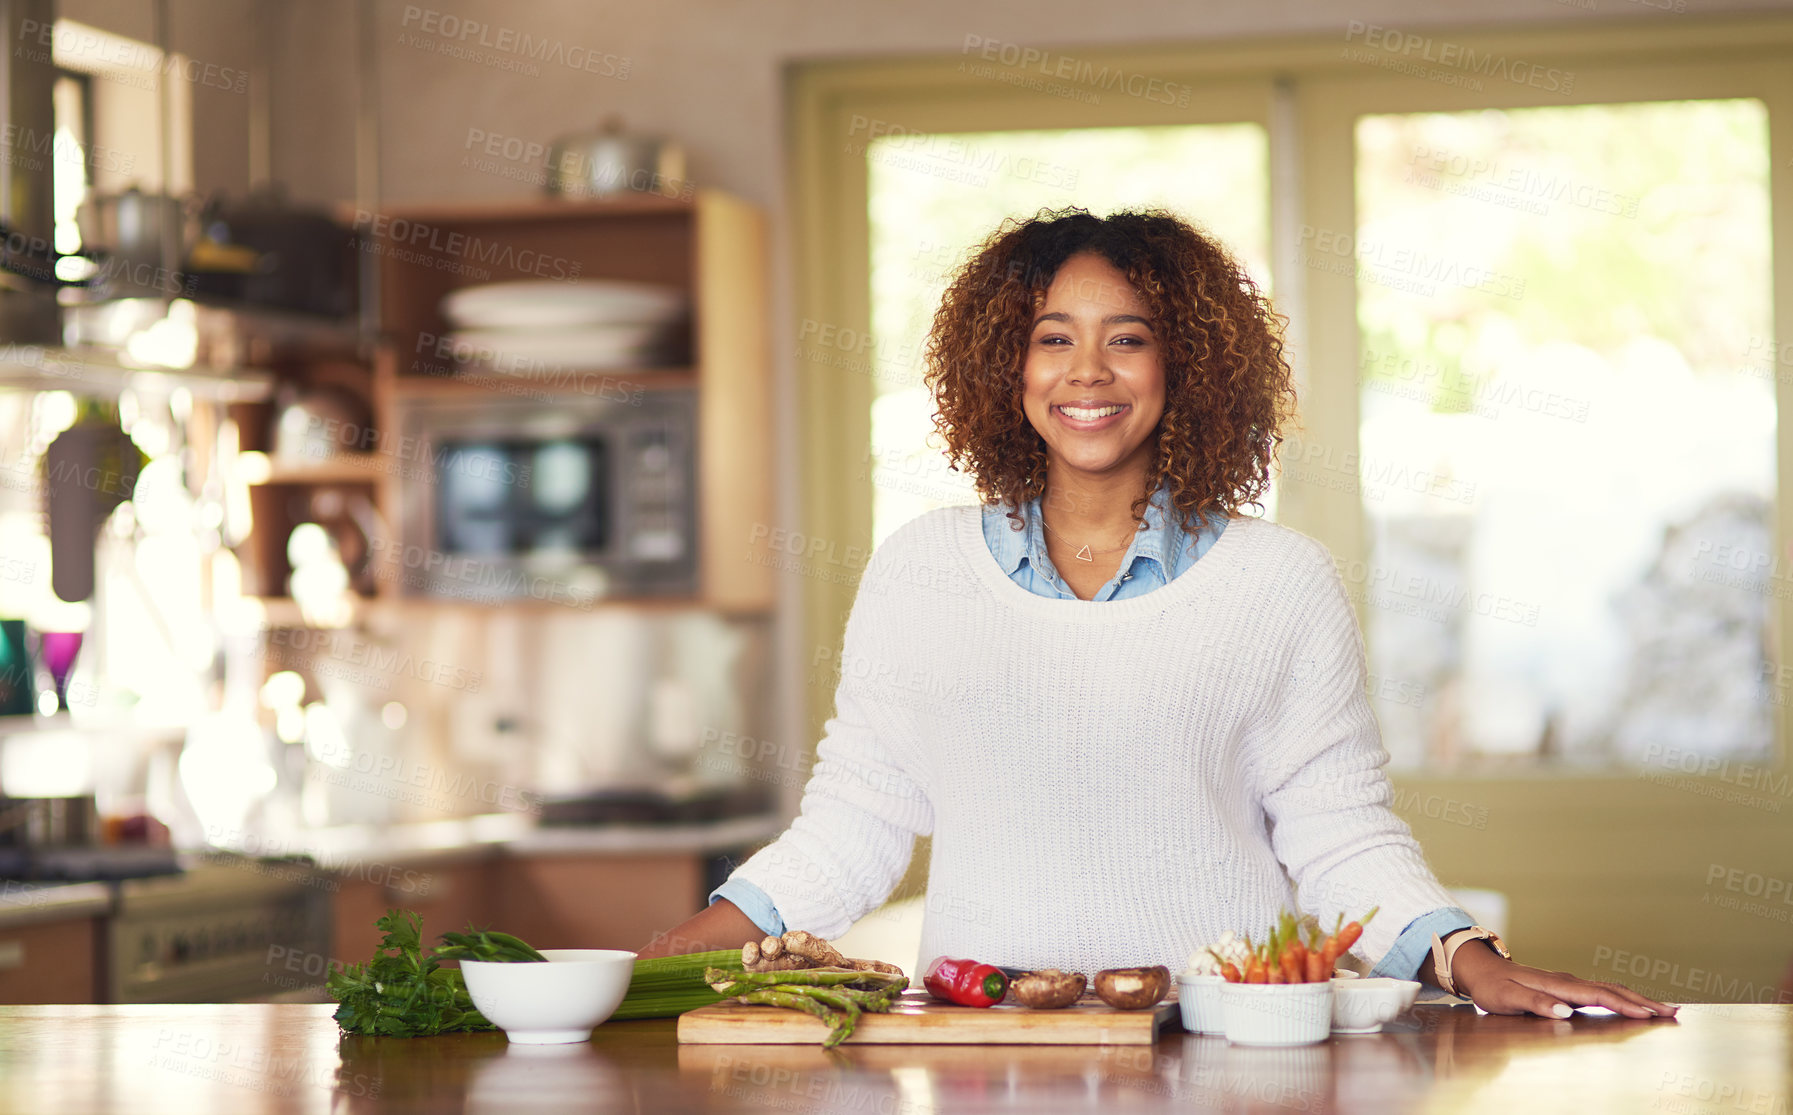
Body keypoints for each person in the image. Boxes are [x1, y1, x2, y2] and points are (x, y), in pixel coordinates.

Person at [643, 209, 1674, 1020]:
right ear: (1008, 367)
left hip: (1225, 1042)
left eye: (1125, 339)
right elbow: (858, 811)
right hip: (984, 1041)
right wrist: (684, 947)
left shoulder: (1280, 582)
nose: (1085, 370)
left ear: (1184, 367)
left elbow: (1333, 825)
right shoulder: (920, 570)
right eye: (1052, 338)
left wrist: (1465, 958)